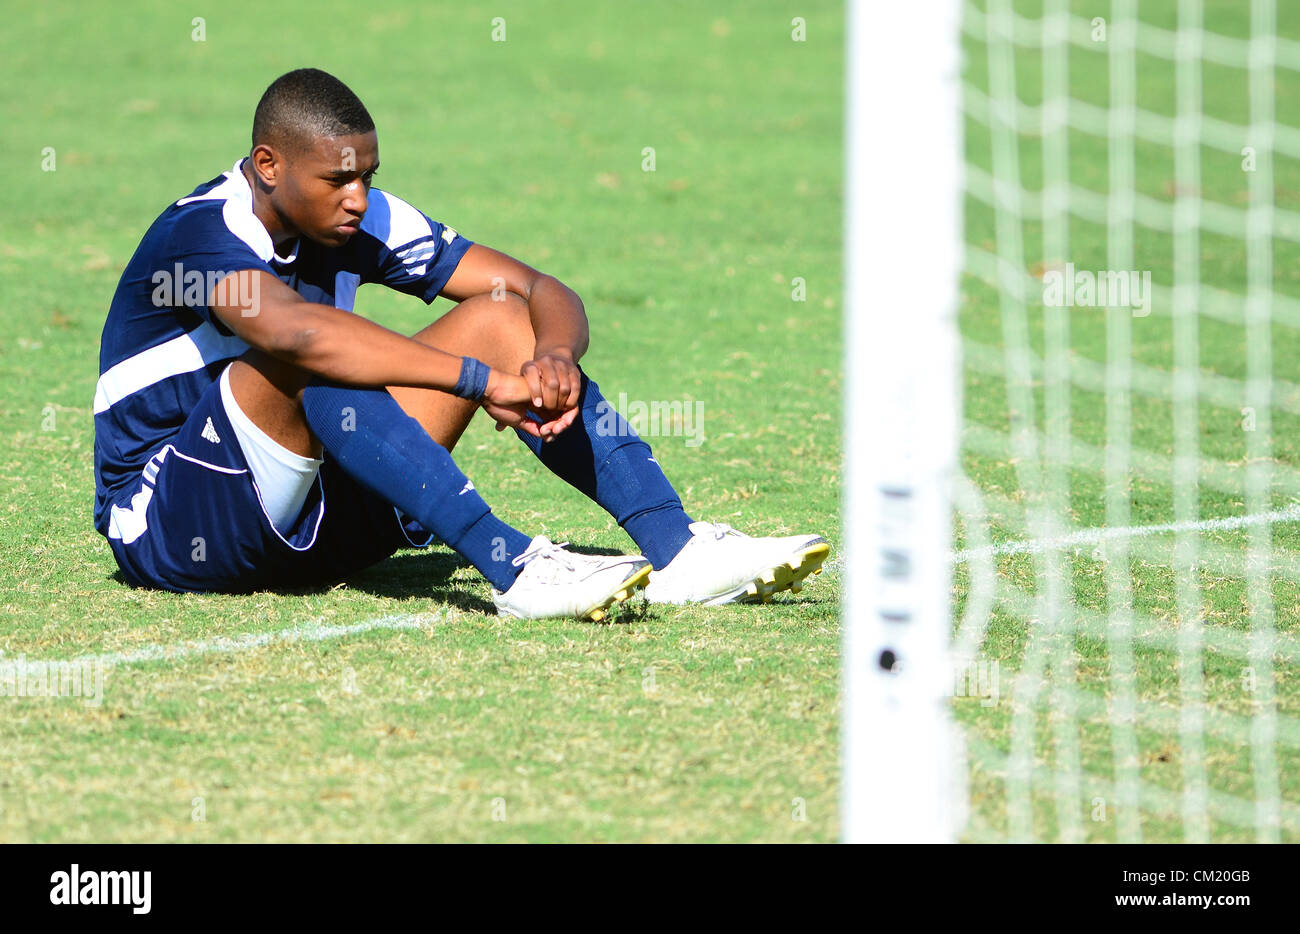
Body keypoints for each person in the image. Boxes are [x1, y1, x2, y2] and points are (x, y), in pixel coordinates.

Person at [93, 68, 829, 620]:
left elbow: (538, 289)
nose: (358, 197)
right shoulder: (197, 235)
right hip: (172, 522)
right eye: (338, 180)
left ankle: (679, 549)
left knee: (503, 315)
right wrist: (480, 383)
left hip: (318, 515)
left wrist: (553, 359)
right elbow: (301, 335)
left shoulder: (360, 217)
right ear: (268, 166)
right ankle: (513, 570)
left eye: (368, 177)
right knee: (316, 350)